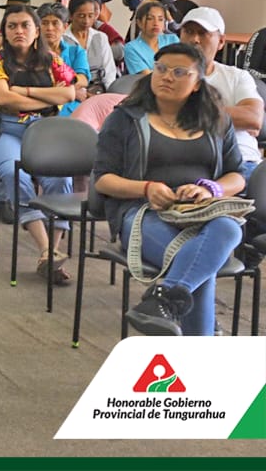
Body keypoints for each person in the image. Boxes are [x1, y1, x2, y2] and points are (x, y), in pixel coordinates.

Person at [93, 43, 244, 336]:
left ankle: (161, 299)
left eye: (179, 72)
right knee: (197, 266)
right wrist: (146, 187)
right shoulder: (124, 119)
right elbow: (102, 179)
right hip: (143, 211)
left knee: (229, 229)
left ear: (198, 82)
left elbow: (237, 176)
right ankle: (192, 352)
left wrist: (212, 189)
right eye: (160, 69)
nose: (167, 77)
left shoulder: (217, 119)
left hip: (202, 213)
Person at [0, 5, 76, 283]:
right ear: (3, 31)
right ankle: (46, 250)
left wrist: (25, 91)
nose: (19, 31)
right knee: (14, 172)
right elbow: (4, 100)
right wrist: (47, 99)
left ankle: (51, 255)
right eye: (12, 26)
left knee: (61, 176)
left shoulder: (52, 59)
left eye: (25, 25)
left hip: (43, 131)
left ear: (36, 30)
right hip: (2, 130)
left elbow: (69, 92)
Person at [178, 7, 264, 178]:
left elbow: (252, 118)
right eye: (188, 32)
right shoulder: (166, 76)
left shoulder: (237, 76)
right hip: (189, 165)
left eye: (203, 33)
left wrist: (186, 112)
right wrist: (230, 119)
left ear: (221, 41)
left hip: (243, 162)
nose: (194, 39)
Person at [36, 2, 91, 116]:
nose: (49, 28)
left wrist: (61, 90)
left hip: (71, 109)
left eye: (55, 23)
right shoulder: (31, 53)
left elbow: (83, 79)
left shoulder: (76, 51)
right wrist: (70, 91)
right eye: (44, 23)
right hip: (40, 108)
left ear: (65, 27)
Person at [64, 0, 119, 91]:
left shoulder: (101, 37)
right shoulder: (63, 39)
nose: (86, 21)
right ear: (71, 16)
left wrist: (108, 93)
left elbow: (109, 70)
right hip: (73, 90)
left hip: (99, 89)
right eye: (81, 16)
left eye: (90, 16)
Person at [123, 1, 181, 76]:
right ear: (139, 22)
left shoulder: (173, 40)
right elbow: (148, 77)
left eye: (160, 19)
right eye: (150, 19)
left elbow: (181, 68)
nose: (156, 23)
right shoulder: (131, 48)